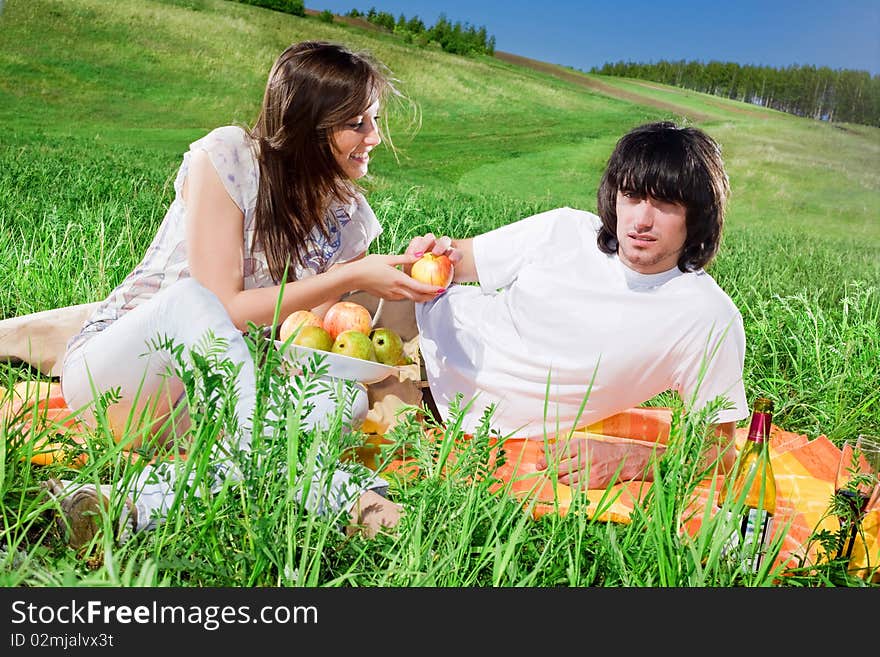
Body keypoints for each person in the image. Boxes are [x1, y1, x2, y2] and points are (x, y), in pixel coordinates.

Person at [48, 41, 442, 548]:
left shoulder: (350, 220)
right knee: (195, 301)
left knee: (337, 401)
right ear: (310, 124)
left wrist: (392, 273)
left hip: (213, 404)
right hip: (128, 375)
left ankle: (128, 505)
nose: (376, 137)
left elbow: (297, 338)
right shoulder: (229, 157)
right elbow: (223, 307)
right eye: (358, 123)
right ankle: (347, 495)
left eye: (374, 120)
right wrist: (349, 278)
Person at [407, 121, 749, 489]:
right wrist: (432, 254)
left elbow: (719, 453)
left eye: (665, 203)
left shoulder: (707, 317)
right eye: (632, 196)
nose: (641, 220)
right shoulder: (566, 230)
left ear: (697, 215)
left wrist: (630, 459)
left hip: (445, 413)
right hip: (412, 330)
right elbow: (460, 259)